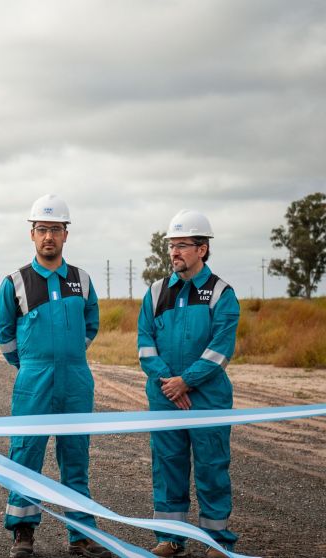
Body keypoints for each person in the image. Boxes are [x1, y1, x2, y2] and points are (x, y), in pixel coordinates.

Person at [0, 194, 110, 558]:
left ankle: (81, 535)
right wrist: (28, 364)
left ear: (65, 234)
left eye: (55, 229)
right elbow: (3, 334)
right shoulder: (15, 283)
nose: (49, 237)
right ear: (32, 234)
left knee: (76, 456)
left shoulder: (82, 280)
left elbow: (91, 327)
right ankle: (23, 533)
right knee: (26, 454)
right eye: (42, 229)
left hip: (75, 379)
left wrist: (69, 355)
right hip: (34, 381)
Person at [138, 210, 239, 558]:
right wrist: (170, 384)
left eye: (182, 245)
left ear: (203, 249)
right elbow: (145, 345)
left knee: (212, 466)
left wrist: (187, 382)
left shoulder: (221, 293)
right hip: (165, 396)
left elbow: (220, 349)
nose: (174, 252)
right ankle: (170, 537)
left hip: (207, 398)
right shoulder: (155, 293)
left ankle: (218, 541)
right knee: (167, 465)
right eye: (172, 245)